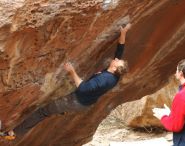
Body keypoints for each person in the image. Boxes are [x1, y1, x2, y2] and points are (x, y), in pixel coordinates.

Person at [1, 23, 131, 139]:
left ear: (115, 68)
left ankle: (13, 133)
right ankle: (61, 109)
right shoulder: (114, 74)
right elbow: (119, 51)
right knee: (58, 102)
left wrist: (71, 71)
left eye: (119, 62)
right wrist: (123, 33)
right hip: (84, 101)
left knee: (42, 111)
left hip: (76, 101)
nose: (118, 59)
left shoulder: (104, 79)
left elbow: (83, 88)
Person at [152, 59, 185, 146]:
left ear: (181, 73)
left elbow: (176, 126)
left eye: (176, 70)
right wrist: (171, 113)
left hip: (183, 142)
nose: (175, 72)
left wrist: (163, 116)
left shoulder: (182, 95)